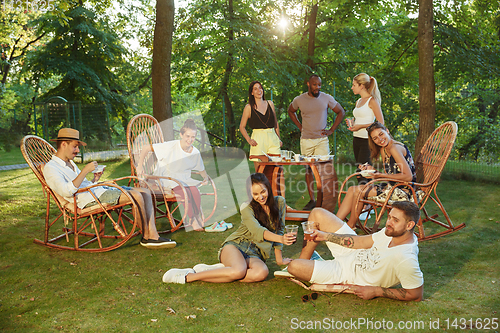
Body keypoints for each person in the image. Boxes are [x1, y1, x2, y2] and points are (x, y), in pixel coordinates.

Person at [43, 128, 176, 249]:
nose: (78, 151)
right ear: (64, 144)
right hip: (90, 199)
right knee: (135, 196)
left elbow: (82, 185)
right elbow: (66, 191)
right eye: (75, 147)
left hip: (97, 190)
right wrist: (84, 171)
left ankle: (152, 235)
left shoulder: (70, 163)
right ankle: (149, 237)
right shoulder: (51, 168)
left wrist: (95, 179)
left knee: (145, 192)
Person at [161, 173, 296, 284]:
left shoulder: (280, 202)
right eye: (255, 194)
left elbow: (280, 229)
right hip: (236, 245)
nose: (260, 197)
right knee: (239, 271)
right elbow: (257, 231)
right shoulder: (246, 207)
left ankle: (224, 270)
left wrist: (279, 259)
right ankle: (189, 276)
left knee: (262, 272)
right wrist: (282, 239)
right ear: (250, 194)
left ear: (268, 188)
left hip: (256, 253)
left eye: (263, 191)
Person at [286, 201, 424, 301]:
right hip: (354, 253)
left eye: (395, 220)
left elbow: (416, 294)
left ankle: (303, 265)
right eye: (389, 217)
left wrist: (376, 291)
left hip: (346, 273)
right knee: (317, 213)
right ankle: (305, 261)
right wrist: (324, 235)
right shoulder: (390, 232)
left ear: (409, 225)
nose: (388, 223)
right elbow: (361, 242)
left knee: (293, 266)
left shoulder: (406, 258)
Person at [336, 122, 416, 229]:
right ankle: (335, 223)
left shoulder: (394, 148)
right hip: (392, 187)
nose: (380, 139)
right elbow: (389, 174)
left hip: (404, 191)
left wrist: (379, 176)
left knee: (358, 191)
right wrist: (373, 171)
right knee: (352, 189)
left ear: (387, 131)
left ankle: (349, 226)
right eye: (375, 138)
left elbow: (408, 176)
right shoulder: (384, 149)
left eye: (381, 134)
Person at [137, 119, 210, 231]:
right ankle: (192, 220)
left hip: (184, 178)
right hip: (167, 177)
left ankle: (196, 216)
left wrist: (205, 178)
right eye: (187, 136)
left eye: (193, 137)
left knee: (195, 191)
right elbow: (146, 148)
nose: (190, 140)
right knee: (184, 192)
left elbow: (201, 169)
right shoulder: (171, 146)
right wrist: (140, 166)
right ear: (181, 134)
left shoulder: (195, 152)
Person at [288, 74, 346, 210]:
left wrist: (331, 130)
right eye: (315, 85)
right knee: (308, 170)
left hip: (321, 141)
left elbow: (341, 112)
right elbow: (291, 111)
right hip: (306, 140)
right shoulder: (299, 99)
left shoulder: (326, 98)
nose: (317, 87)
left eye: (319, 85)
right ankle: (312, 200)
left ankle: (325, 201)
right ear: (308, 84)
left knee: (325, 171)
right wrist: (299, 126)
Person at [348, 73, 384, 184]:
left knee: (363, 172)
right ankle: (364, 198)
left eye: (354, 85)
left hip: (367, 140)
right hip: (356, 139)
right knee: (360, 171)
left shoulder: (372, 101)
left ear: (361, 86)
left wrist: (361, 126)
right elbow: (361, 118)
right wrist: (354, 124)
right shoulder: (358, 101)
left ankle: (365, 198)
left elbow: (380, 122)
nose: (352, 87)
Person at [239, 81, 282, 171]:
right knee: (260, 171)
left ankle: (275, 185)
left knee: (277, 170)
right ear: (251, 92)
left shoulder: (270, 104)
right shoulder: (248, 107)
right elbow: (242, 127)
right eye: (255, 89)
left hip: (272, 137)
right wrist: (249, 140)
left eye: (260, 88)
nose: (259, 90)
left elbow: (275, 123)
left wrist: (278, 138)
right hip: (258, 139)